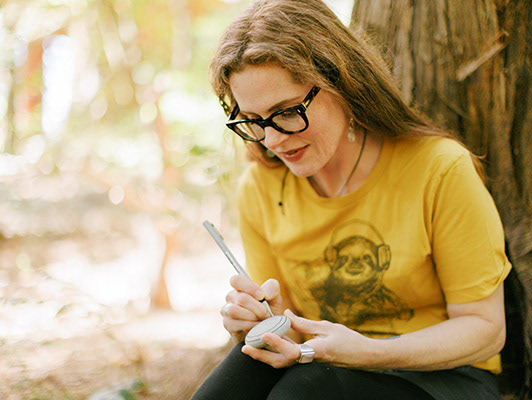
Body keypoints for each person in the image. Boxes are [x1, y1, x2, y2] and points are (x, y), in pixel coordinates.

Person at [191, 0, 512, 398]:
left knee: (303, 392)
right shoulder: (261, 186)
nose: (271, 140)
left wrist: (367, 352)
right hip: (324, 365)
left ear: (342, 82)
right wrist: (259, 323)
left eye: (287, 112)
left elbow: (486, 329)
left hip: (439, 376)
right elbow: (292, 329)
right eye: (253, 121)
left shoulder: (439, 169)